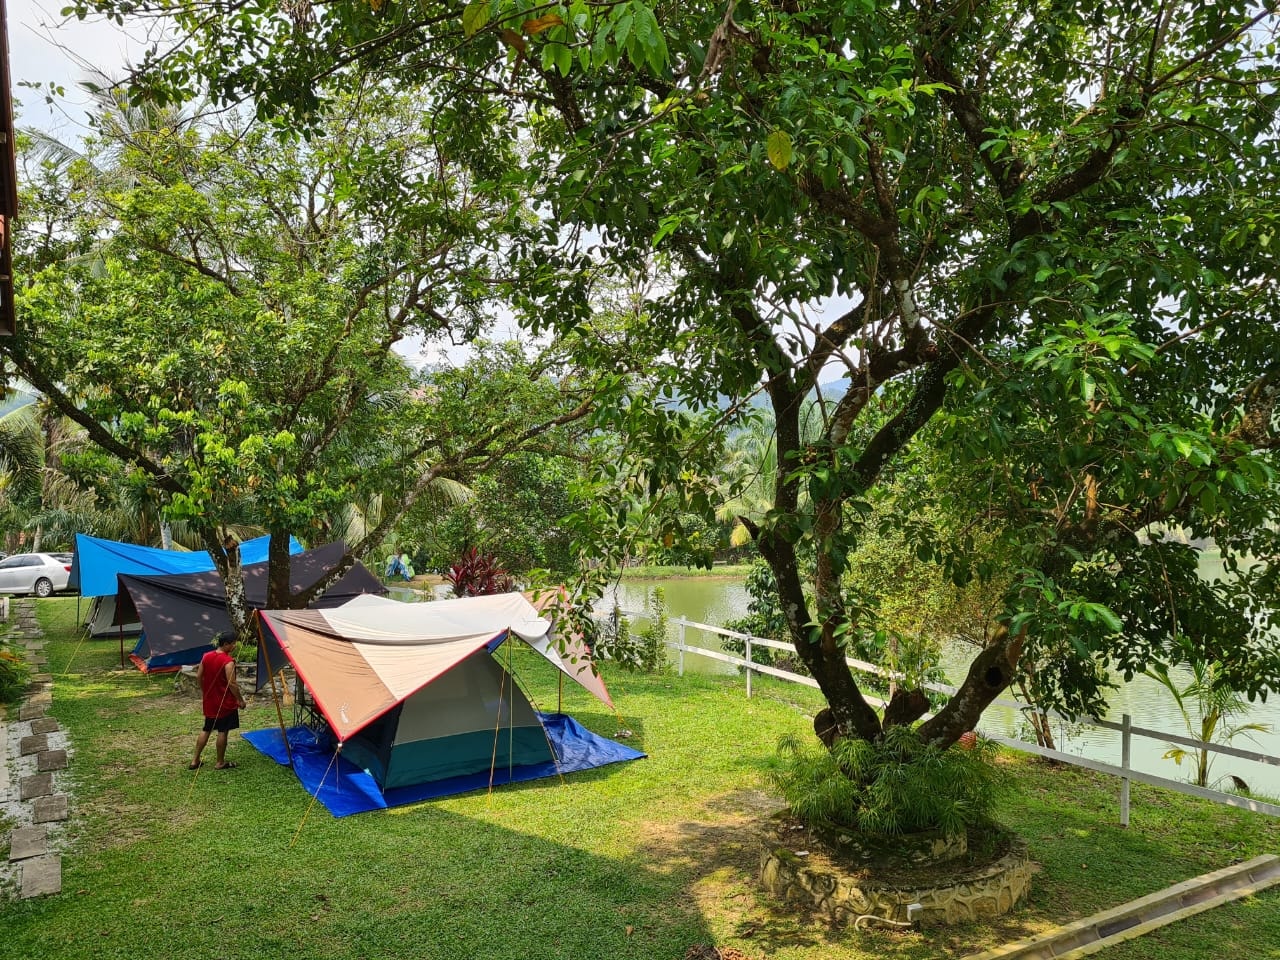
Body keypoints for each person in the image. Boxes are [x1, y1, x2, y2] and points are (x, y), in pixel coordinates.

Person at [190, 631, 247, 770]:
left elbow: (199, 676)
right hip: (225, 703)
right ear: (226, 644)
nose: (235, 646)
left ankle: (195, 760)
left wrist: (205, 691)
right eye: (233, 643)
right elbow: (232, 684)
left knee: (207, 729)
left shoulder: (206, 656)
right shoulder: (228, 662)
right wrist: (240, 700)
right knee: (223, 730)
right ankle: (220, 762)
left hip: (210, 702)